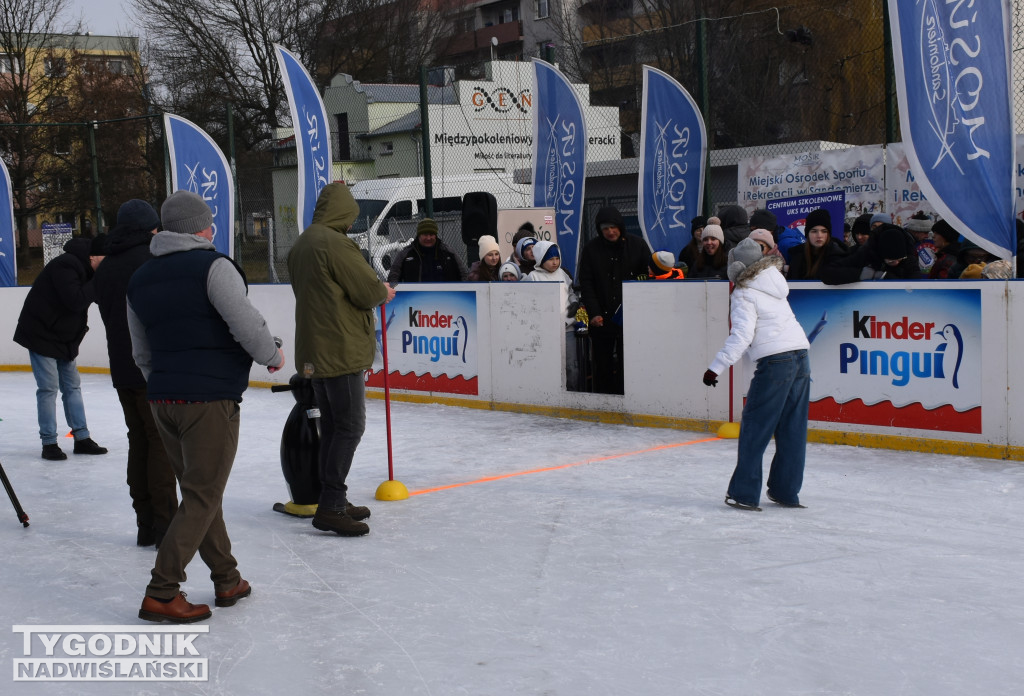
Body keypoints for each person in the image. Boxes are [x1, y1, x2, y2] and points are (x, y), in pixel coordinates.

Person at [128, 190, 285, 623]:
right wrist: (271, 354)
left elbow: (140, 352)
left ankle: (227, 577)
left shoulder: (140, 279)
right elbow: (245, 322)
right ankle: (162, 591)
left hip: (163, 399)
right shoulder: (213, 266)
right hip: (208, 399)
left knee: (201, 492)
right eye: (209, 222)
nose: (213, 228)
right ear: (200, 228)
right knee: (202, 494)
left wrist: (163, 387)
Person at [287, 182, 395, 537]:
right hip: (341, 349)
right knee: (349, 427)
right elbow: (366, 291)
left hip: (315, 350)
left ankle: (332, 498)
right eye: (351, 216)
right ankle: (331, 505)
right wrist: (384, 292)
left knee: (333, 427)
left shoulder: (302, 243)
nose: (352, 223)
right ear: (343, 214)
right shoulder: (336, 244)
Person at [703, 238, 811, 511]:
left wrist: (715, 366)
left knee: (755, 427)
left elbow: (741, 335)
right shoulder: (773, 281)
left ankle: (744, 493)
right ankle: (786, 491)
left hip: (777, 362)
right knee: (792, 430)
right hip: (801, 357)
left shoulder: (744, 291)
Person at [93, 199, 177, 548]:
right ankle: (165, 525)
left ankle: (145, 522)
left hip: (121, 368)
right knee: (158, 442)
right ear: (149, 229)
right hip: (148, 367)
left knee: (138, 439)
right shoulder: (150, 262)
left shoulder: (108, 265)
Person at [14, 235, 109, 460]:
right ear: (93, 256)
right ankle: (49, 442)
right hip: (41, 334)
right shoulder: (66, 265)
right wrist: (98, 282)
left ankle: (82, 438)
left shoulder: (85, 269)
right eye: (105, 260)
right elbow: (75, 300)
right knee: (48, 388)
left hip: (64, 338)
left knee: (72, 387)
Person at [577, 206, 651, 395]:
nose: (610, 231)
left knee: (630, 362)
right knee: (603, 365)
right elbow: (586, 284)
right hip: (602, 319)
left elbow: (648, 277)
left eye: (613, 227)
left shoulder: (638, 245)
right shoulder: (591, 250)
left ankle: (628, 397)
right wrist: (594, 313)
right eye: (605, 228)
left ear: (620, 226)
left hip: (631, 318)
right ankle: (604, 402)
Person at [525, 241, 581, 388]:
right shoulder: (533, 277)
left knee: (571, 366)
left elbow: (571, 292)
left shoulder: (562, 273)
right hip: (546, 332)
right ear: (541, 258)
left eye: (557, 258)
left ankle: (572, 396)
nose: (555, 262)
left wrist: (574, 302)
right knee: (550, 367)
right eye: (550, 259)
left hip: (567, 329)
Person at [821, 223, 918, 284]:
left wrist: (885, 276)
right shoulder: (866, 254)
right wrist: (862, 274)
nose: (896, 262)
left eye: (900, 259)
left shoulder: (909, 258)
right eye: (891, 261)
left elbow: (917, 287)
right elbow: (827, 273)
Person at [387, 218, 467, 284]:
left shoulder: (448, 252)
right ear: (419, 235)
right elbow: (393, 277)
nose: (428, 238)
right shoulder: (405, 254)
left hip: (447, 299)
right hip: (414, 300)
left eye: (431, 234)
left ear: (435, 235)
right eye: (425, 234)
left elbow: (464, 275)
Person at [786, 209, 847, 281]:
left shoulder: (838, 256)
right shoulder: (797, 255)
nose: (819, 235)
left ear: (828, 234)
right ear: (807, 234)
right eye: (814, 231)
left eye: (824, 231)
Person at [904, 211, 936, 277]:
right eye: (925, 233)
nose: (927, 236)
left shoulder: (909, 241)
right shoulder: (905, 244)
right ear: (915, 231)